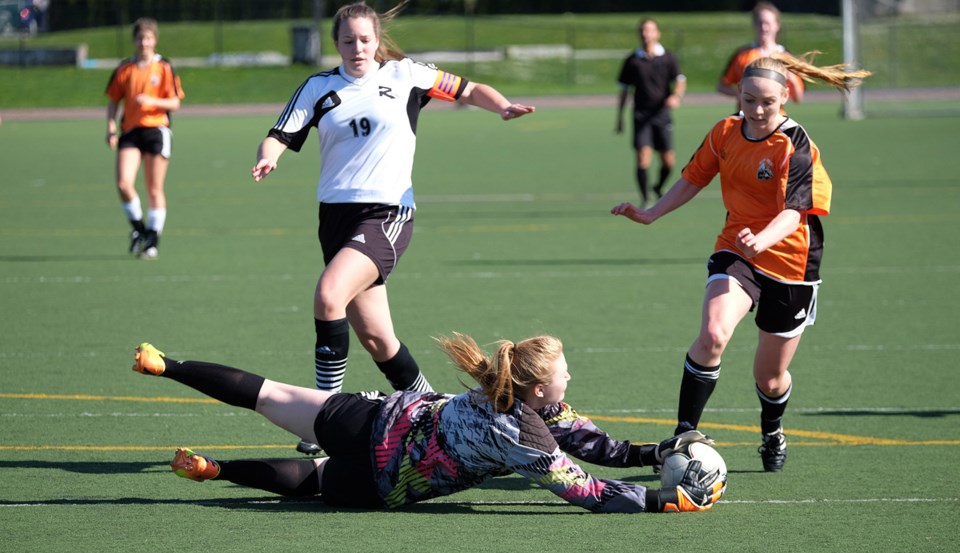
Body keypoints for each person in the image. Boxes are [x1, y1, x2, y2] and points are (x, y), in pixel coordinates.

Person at [251, 2, 535, 455]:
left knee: (328, 296)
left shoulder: (406, 75)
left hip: (387, 214)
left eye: (365, 40)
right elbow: (282, 133)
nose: (358, 48)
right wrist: (271, 155)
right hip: (336, 219)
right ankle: (435, 410)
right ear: (336, 43)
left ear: (377, 40)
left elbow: (467, 88)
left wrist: (500, 106)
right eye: (348, 41)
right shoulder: (319, 88)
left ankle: (321, 419)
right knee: (379, 339)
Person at [611, 54, 870, 472]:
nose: (757, 110)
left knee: (770, 378)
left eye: (767, 101)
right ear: (738, 95)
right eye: (749, 100)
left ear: (785, 97)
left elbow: (795, 212)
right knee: (713, 334)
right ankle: (682, 437)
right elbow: (694, 177)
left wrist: (762, 240)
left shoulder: (795, 143)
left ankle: (772, 431)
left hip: (791, 263)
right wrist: (651, 213)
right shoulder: (726, 131)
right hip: (737, 252)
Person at [131, 337, 725, 513]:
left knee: (270, 393)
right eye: (566, 371)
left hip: (375, 416)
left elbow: (596, 445)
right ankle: (215, 472)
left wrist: (658, 451)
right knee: (314, 482)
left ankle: (167, 364)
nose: (572, 377)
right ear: (540, 387)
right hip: (390, 479)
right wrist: (661, 500)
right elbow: (586, 489)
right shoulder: (527, 436)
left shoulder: (515, 393)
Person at [105, 17, 185, 260]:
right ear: (134, 41)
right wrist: (110, 128)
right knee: (123, 183)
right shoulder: (124, 69)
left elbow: (175, 102)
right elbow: (113, 101)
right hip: (130, 131)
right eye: (140, 38)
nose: (144, 42)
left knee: (154, 188)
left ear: (155, 40)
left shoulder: (164, 67)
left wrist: (152, 101)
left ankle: (153, 241)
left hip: (156, 130)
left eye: (148, 38)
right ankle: (141, 229)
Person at [615, 18, 686, 208]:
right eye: (643, 31)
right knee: (642, 156)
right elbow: (624, 90)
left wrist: (676, 96)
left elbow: (680, 80)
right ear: (639, 34)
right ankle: (645, 198)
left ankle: (658, 187)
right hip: (640, 115)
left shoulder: (668, 57)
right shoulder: (632, 60)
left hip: (662, 114)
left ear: (657, 33)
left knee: (668, 161)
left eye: (650, 30)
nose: (646, 34)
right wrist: (619, 118)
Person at [717, 2, 804, 111]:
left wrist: (792, 79)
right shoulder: (742, 54)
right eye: (760, 23)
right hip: (746, 120)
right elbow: (722, 86)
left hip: (775, 122)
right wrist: (742, 95)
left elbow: (798, 98)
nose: (763, 27)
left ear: (777, 25)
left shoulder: (786, 57)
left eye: (767, 23)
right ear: (754, 25)